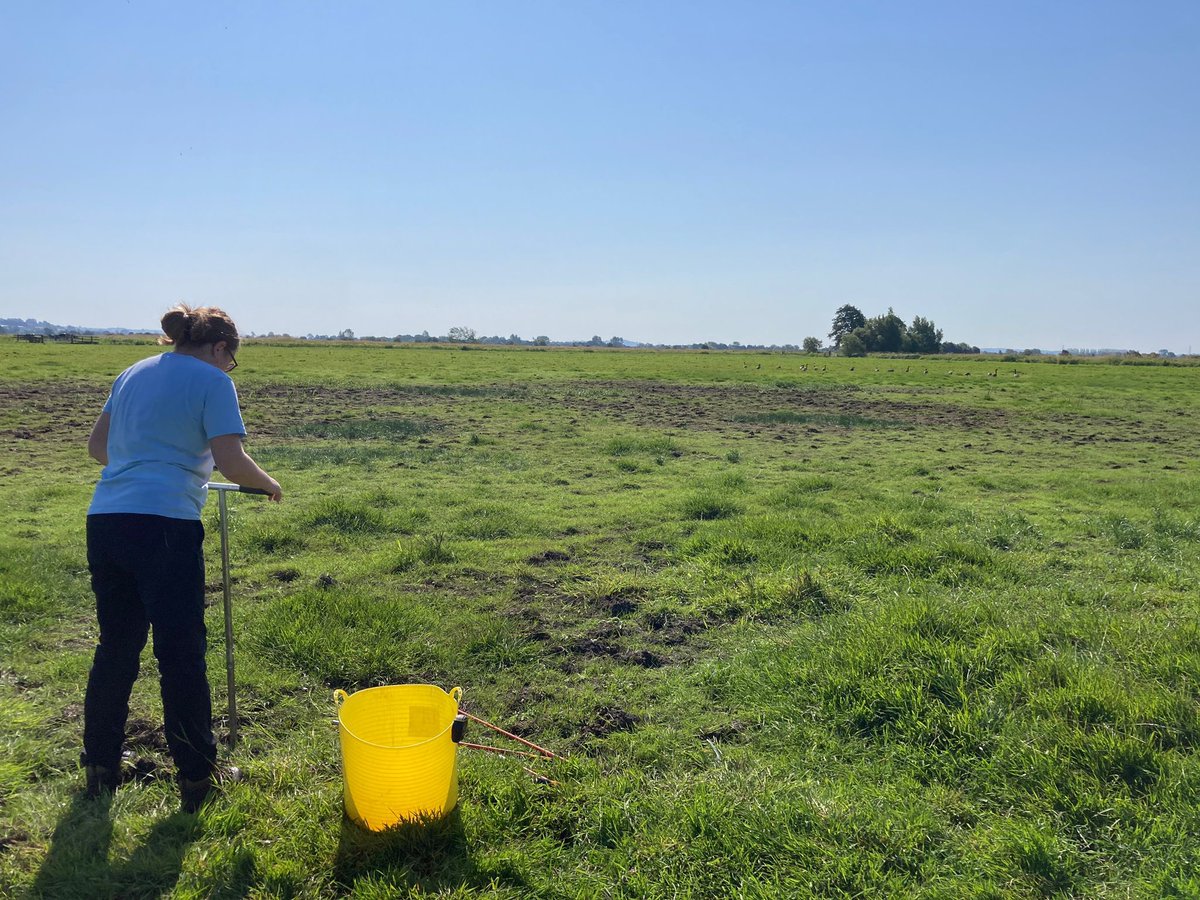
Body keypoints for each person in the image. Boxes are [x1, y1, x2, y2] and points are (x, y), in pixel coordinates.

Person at [82, 304, 282, 813]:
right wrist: (267, 484)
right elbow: (232, 462)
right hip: (165, 526)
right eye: (230, 360)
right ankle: (196, 777)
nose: (228, 369)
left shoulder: (133, 372)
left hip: (106, 519)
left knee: (117, 646)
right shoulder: (213, 382)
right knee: (180, 652)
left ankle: (101, 767)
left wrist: (146, 456)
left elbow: (98, 448)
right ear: (219, 348)